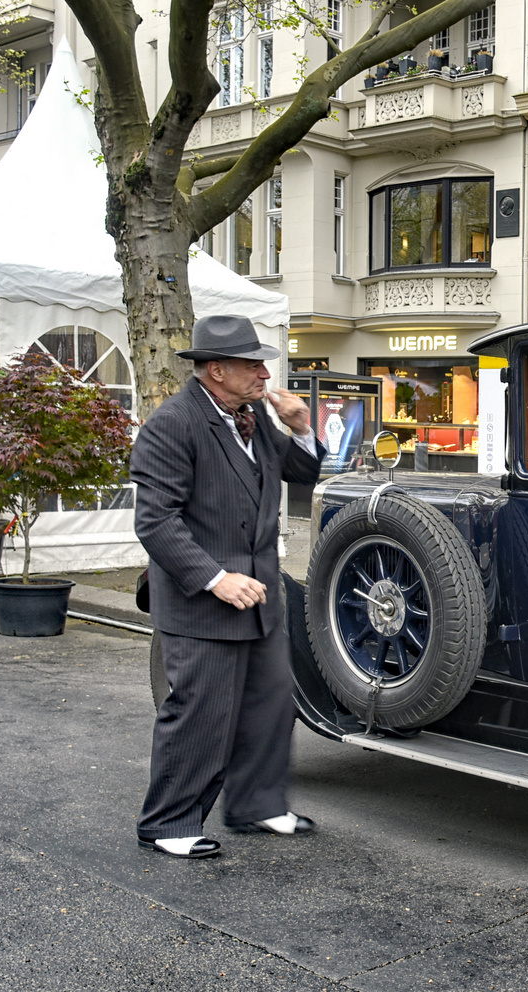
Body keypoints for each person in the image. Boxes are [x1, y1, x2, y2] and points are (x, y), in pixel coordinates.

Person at [131, 315, 325, 859]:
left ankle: (257, 805)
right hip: (205, 597)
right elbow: (156, 523)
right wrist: (215, 579)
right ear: (215, 370)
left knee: (271, 703)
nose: (265, 372)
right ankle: (168, 824)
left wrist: (302, 428)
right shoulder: (173, 423)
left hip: (260, 594)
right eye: (251, 363)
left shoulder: (254, 416)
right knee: (201, 711)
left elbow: (300, 475)